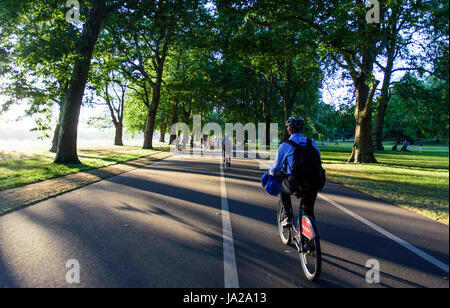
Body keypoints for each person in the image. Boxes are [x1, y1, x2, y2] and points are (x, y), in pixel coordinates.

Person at [269, 117, 321, 227]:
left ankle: (288, 216)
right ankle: (310, 231)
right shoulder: (312, 142)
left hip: (295, 182)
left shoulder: (285, 145)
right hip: (314, 180)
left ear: (289, 129)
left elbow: (276, 168)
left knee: (283, 189)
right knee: (308, 210)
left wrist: (271, 173)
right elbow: (318, 159)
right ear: (302, 129)